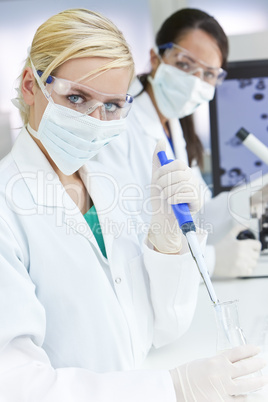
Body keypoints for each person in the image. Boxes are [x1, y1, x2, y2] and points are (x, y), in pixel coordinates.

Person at [0, 7, 266, 402]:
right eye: (76, 97)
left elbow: (162, 328)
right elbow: (17, 384)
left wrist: (166, 242)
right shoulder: (8, 208)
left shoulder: (109, 186)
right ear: (29, 85)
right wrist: (173, 387)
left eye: (112, 105)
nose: (95, 120)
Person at [96, 7, 262, 278]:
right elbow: (123, 232)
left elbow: (197, 214)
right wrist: (208, 262)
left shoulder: (175, 125)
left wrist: (252, 195)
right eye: (184, 64)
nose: (195, 82)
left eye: (209, 74)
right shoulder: (119, 123)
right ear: (156, 58)